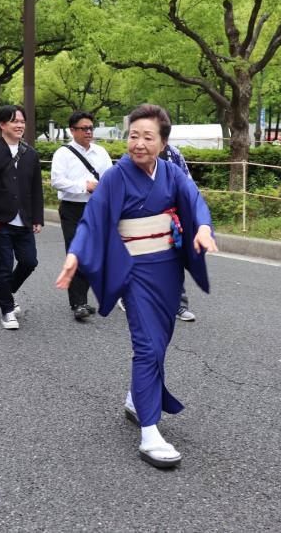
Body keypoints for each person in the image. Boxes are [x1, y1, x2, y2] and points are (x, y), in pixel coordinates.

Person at [55, 103, 218, 469]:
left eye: (148, 137)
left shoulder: (172, 174)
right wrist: (75, 255)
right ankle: (149, 430)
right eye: (133, 135)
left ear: (163, 143)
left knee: (160, 341)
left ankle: (135, 397)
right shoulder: (115, 176)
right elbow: (93, 219)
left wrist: (204, 228)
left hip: (168, 269)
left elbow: (195, 202)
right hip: (136, 272)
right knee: (147, 346)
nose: (138, 143)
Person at [0, 104, 44, 330]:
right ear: (3, 125)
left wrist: (37, 217)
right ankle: (6, 310)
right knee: (4, 266)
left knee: (29, 261)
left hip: (23, 219)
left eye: (22, 121)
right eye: (15, 121)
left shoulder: (30, 154)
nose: (20, 125)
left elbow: (36, 188)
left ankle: (7, 292)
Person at [50, 110, 113, 321]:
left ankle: (83, 299)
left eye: (90, 128)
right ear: (72, 130)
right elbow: (57, 181)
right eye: (83, 128)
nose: (88, 132)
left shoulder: (101, 152)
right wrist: (83, 186)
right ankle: (78, 303)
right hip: (72, 208)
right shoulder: (63, 153)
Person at [159, 140, 196, 322]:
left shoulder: (173, 153)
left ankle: (179, 305)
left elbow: (187, 181)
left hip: (171, 216)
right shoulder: (135, 153)